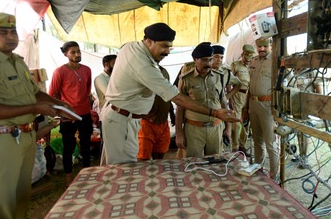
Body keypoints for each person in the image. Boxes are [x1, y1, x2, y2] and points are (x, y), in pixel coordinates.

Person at [0, 13, 79, 219]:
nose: (10, 37)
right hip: (2, 140)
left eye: (13, 32)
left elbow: (35, 92)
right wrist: (34, 106)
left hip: (26, 137)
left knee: (21, 197)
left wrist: (57, 104)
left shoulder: (18, 62)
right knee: (3, 202)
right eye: (2, 32)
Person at [101, 23, 240, 165]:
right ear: (149, 41)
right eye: (164, 46)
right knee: (123, 168)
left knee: (113, 166)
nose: (167, 52)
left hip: (123, 116)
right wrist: (215, 113)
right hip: (122, 119)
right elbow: (177, 98)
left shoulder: (131, 46)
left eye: (170, 47)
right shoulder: (144, 66)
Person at [175, 42, 239, 157]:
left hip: (216, 128)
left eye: (210, 59)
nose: (208, 64)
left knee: (215, 162)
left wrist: (228, 128)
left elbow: (223, 103)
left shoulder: (219, 77)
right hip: (194, 129)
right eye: (204, 60)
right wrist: (179, 133)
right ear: (195, 59)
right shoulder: (186, 79)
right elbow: (180, 107)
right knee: (194, 164)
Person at [48, 41, 94, 187]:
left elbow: (87, 91)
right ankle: (69, 177)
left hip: (85, 113)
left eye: (78, 51)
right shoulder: (60, 72)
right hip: (68, 116)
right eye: (73, 52)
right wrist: (63, 112)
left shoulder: (87, 70)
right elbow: (52, 94)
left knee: (86, 144)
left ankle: (87, 173)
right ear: (65, 54)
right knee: (69, 146)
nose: (77, 54)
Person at [243, 37, 280, 179]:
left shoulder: (276, 61)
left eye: (265, 46)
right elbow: (249, 87)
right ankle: (259, 170)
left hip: (268, 106)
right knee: (257, 141)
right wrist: (246, 108)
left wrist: (277, 111)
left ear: (271, 45)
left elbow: (282, 87)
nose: (262, 49)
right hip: (253, 104)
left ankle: (274, 177)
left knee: (271, 143)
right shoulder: (254, 61)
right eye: (259, 46)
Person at [137, 64, 176, 160]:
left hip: (163, 121)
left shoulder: (164, 71)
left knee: (160, 154)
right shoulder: (141, 70)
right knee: (143, 157)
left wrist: (172, 113)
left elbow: (168, 94)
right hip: (146, 123)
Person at [211, 44, 242, 147]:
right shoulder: (202, 70)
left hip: (218, 113)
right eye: (216, 56)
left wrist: (227, 96)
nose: (219, 60)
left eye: (221, 57)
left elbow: (238, 84)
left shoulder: (225, 73)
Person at [229, 44, 256, 156]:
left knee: (246, 122)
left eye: (250, 59)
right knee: (237, 122)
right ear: (242, 55)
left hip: (249, 97)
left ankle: (242, 146)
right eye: (246, 58)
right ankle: (235, 147)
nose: (247, 61)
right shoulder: (235, 66)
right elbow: (228, 82)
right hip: (237, 95)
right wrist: (230, 98)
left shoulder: (253, 67)